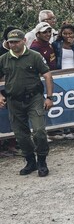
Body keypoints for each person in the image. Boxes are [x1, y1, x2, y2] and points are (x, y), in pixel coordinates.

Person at [0, 29, 55, 177]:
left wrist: (49, 97)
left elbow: (47, 75)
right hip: (14, 101)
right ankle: (30, 161)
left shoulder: (34, 56)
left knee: (39, 131)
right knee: (21, 135)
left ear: (24, 40)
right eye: (11, 42)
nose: (14, 44)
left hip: (34, 98)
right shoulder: (4, 59)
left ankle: (42, 160)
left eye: (16, 41)